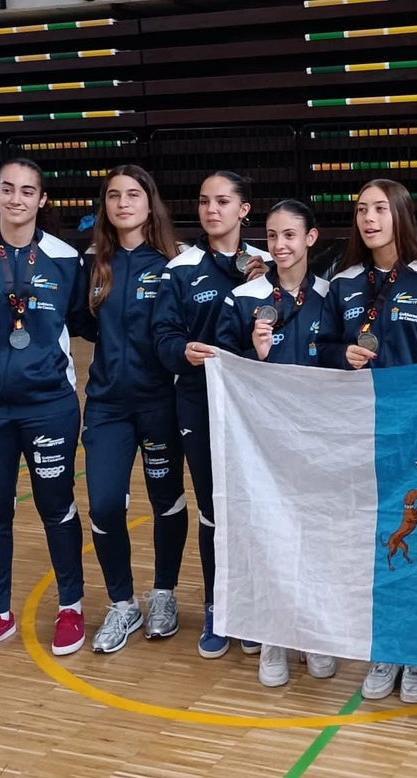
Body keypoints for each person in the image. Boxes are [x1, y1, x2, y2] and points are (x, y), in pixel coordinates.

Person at [317, 178, 417, 703]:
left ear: (400, 213)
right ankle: (386, 647)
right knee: (375, 542)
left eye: (379, 208)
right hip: (361, 428)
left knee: (415, 536)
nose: (369, 219)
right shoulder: (343, 280)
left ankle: (416, 651)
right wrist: (341, 355)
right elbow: (323, 347)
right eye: (361, 210)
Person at [0, 158, 87, 660]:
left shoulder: (66, 259)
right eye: (8, 189)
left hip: (49, 406)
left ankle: (71, 606)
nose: (16, 199)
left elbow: (87, 321)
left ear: (42, 200)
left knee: (57, 506)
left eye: (28, 191)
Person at [215, 198, 335, 687]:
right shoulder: (243, 297)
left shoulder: (332, 294)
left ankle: (313, 632)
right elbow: (222, 365)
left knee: (315, 535)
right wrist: (255, 352)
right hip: (263, 441)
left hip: (320, 436)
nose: (280, 245)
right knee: (270, 532)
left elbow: (340, 358)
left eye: (290, 235)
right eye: (271, 236)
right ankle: (273, 635)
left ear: (310, 238)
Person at [152, 170, 269, 659]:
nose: (211, 210)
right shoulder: (181, 269)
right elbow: (163, 337)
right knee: (213, 509)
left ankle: (256, 606)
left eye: (222, 201)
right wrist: (182, 352)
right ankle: (217, 606)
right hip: (200, 402)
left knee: (257, 507)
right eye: (204, 201)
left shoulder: (267, 264)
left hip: (258, 409)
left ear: (244, 209)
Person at [79, 165, 188, 653]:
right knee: (104, 504)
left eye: (133, 194)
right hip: (107, 406)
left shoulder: (175, 263)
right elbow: (83, 322)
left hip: (159, 403)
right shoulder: (92, 264)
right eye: (113, 195)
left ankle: (164, 593)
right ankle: (122, 604)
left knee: (166, 499)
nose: (123, 203)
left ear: (150, 203)